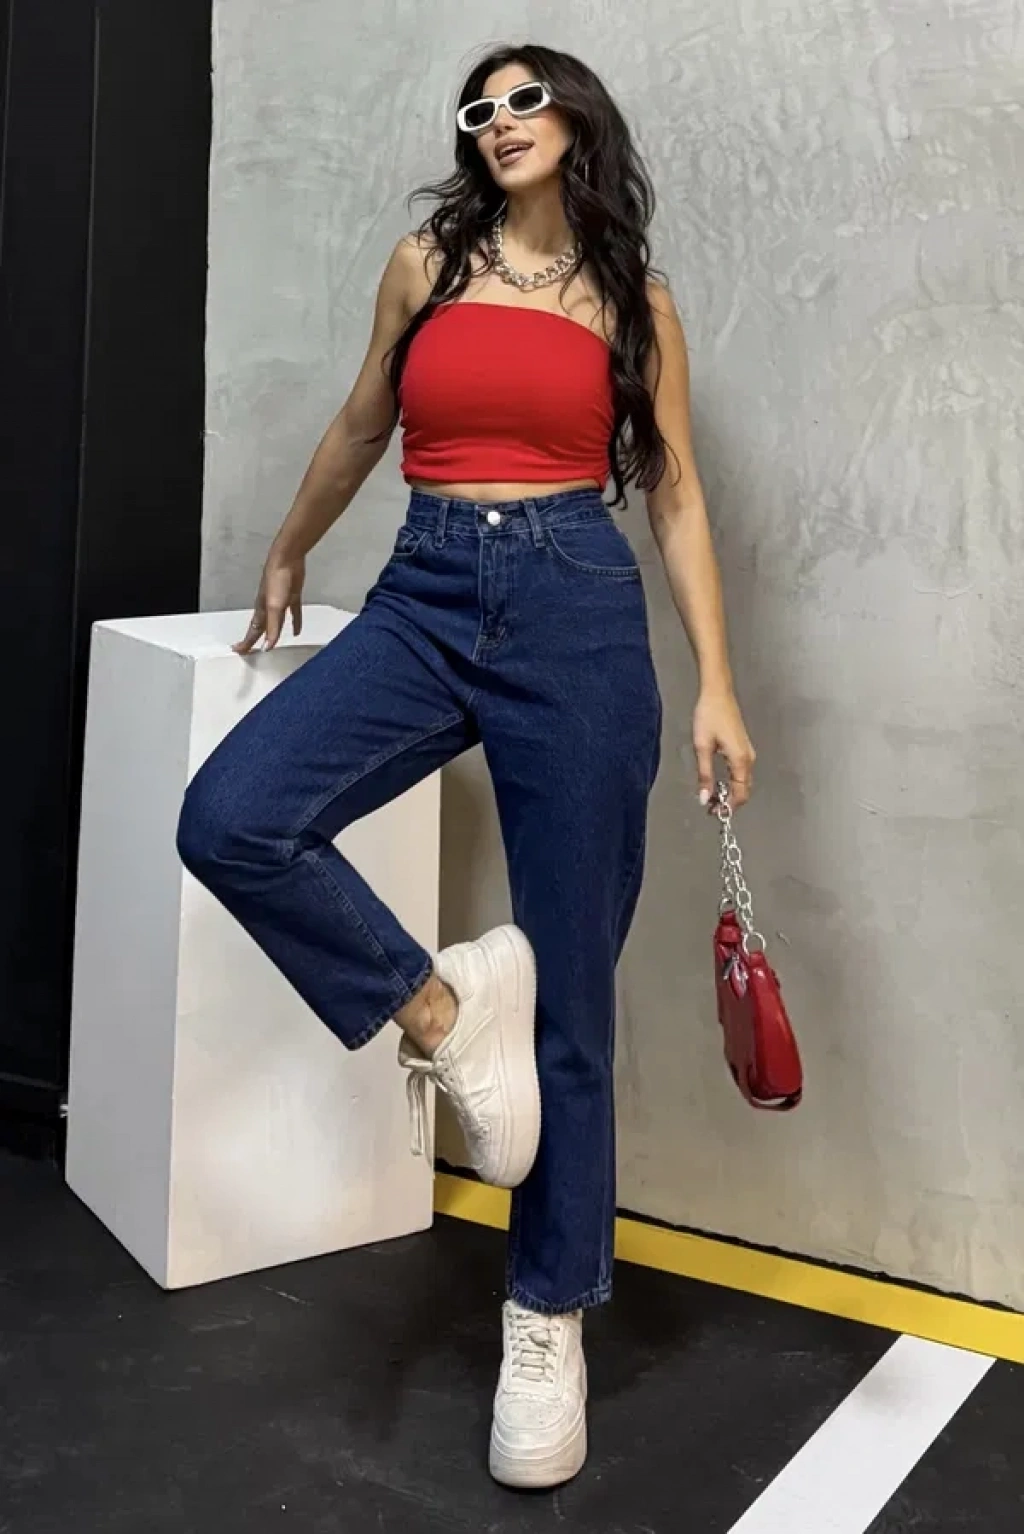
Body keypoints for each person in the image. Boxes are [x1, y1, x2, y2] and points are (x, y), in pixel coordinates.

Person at [176, 41, 755, 1491]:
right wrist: (291, 544)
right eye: (478, 108)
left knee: (573, 997)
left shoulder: (634, 301)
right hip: (427, 589)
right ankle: (440, 1009)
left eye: (523, 99)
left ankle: (547, 1318)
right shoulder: (427, 263)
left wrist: (717, 685)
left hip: (579, 608)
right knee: (235, 815)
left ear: (575, 118)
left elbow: (676, 492)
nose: (497, 123)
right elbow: (362, 420)